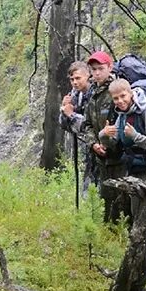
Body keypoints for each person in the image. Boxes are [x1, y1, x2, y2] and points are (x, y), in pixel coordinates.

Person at [95, 78, 146, 233]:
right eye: (116, 98)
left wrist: (135, 136)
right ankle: (138, 238)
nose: (120, 101)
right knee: (135, 206)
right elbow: (112, 142)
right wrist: (103, 134)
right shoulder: (122, 116)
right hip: (132, 166)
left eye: (123, 96)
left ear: (131, 93)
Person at [81, 51, 124, 221]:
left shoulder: (117, 89)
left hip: (120, 156)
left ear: (110, 67)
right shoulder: (92, 93)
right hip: (101, 157)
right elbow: (87, 124)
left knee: (122, 198)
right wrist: (93, 144)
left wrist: (109, 143)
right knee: (106, 197)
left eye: (100, 68)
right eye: (93, 69)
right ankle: (109, 234)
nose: (96, 73)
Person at [60, 60, 93, 195]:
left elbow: (90, 125)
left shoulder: (95, 94)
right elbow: (64, 125)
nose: (74, 82)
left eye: (78, 78)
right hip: (87, 147)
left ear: (88, 76)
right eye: (72, 79)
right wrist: (64, 110)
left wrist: (72, 115)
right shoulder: (75, 95)